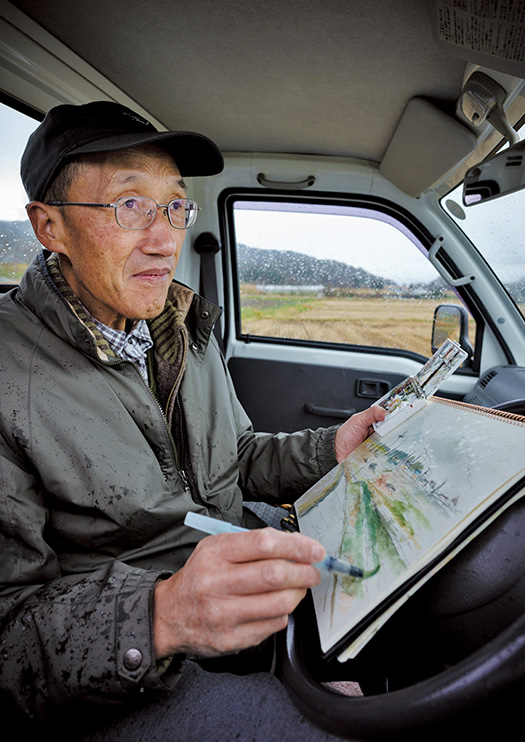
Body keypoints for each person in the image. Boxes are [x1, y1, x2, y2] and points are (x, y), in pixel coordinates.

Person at [0, 101, 384, 739]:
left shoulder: (182, 329)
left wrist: (331, 449)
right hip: (128, 670)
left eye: (175, 206)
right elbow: (10, 638)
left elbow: (238, 457)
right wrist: (163, 616)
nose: (164, 237)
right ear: (50, 227)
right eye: (131, 206)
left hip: (238, 591)